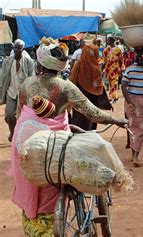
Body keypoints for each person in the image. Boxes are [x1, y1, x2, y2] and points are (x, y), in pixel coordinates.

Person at [9, 38, 126, 236]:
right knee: (57, 178)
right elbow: (92, 112)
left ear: (39, 63)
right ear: (60, 66)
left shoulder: (27, 84)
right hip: (54, 146)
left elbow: (22, 114)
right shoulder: (65, 87)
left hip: (27, 144)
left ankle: (34, 228)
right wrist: (115, 120)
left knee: (32, 178)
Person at [121, 47, 143, 167]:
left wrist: (129, 101)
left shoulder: (130, 70)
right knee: (140, 130)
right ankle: (135, 157)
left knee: (132, 128)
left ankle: (133, 155)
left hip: (131, 102)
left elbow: (123, 86)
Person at [70, 44, 111, 131]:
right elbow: (98, 88)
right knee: (90, 125)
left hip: (78, 101)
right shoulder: (96, 69)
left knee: (78, 122)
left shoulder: (77, 66)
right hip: (92, 103)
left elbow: (72, 81)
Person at [0, 39, 35, 142]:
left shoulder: (28, 62)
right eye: (15, 47)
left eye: (19, 48)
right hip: (11, 92)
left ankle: (18, 136)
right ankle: (13, 132)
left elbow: (31, 78)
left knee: (22, 117)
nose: (17, 50)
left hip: (23, 94)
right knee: (9, 115)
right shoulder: (8, 61)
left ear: (22, 49)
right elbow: (3, 77)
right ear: (13, 48)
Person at [104, 36, 124, 102]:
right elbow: (104, 59)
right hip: (108, 69)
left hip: (115, 69)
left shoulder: (118, 49)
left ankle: (111, 96)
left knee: (114, 82)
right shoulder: (106, 50)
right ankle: (114, 96)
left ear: (112, 41)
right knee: (110, 83)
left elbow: (121, 59)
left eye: (108, 40)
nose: (107, 41)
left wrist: (121, 68)